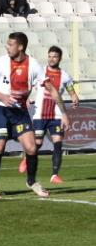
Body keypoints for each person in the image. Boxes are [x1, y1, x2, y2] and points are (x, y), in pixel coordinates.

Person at [0, 32, 70, 198]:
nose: (7, 47)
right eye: (7, 44)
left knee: (31, 148)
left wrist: (64, 113)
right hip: (0, 108)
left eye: (10, 44)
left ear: (20, 47)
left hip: (19, 111)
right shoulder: (2, 61)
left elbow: (51, 89)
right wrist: (2, 97)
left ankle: (31, 181)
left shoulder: (33, 65)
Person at [17, 46, 80, 184]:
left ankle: (54, 175)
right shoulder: (40, 72)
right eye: (50, 56)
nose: (51, 59)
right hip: (40, 114)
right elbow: (28, 86)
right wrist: (26, 98)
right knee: (37, 144)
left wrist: (75, 97)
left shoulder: (65, 76)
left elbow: (71, 91)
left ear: (60, 58)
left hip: (57, 115)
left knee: (58, 144)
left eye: (55, 57)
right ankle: (26, 159)